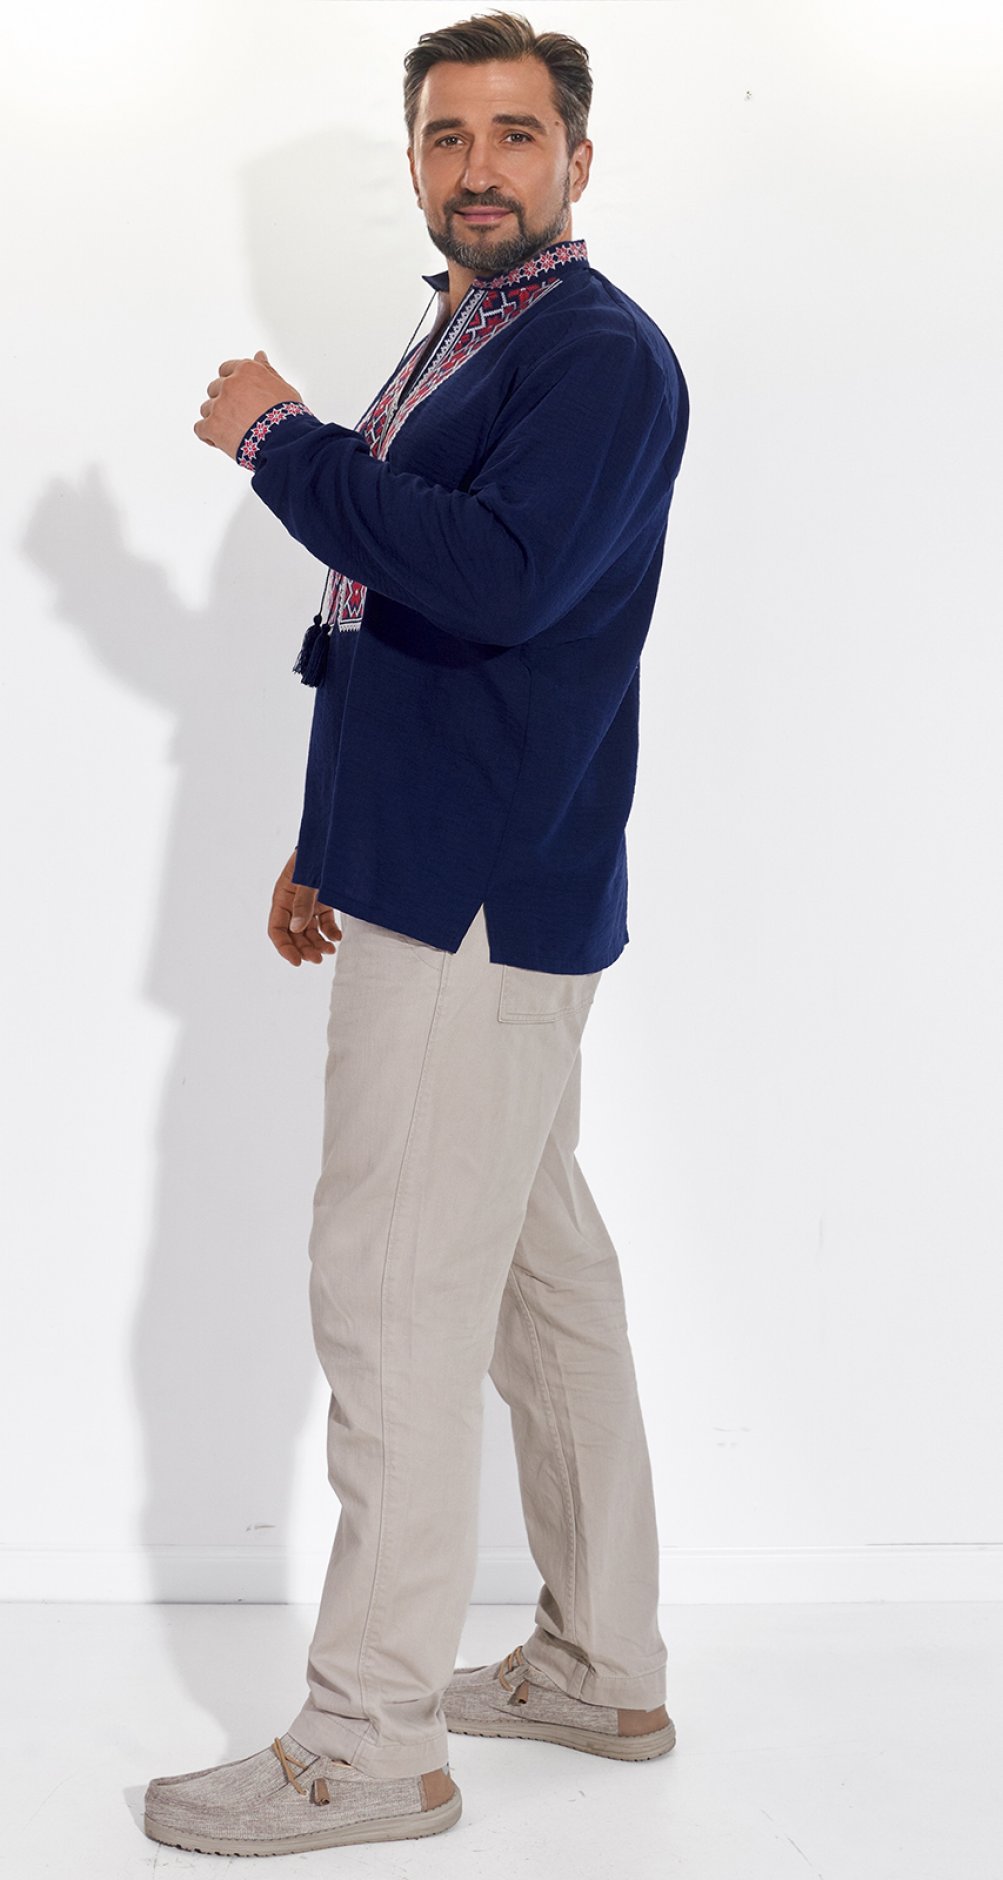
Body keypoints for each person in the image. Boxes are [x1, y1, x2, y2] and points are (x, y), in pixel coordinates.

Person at [145, 7, 689, 1859]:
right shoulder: (476, 329)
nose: (480, 167)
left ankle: (368, 1742)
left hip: (477, 906)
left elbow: (498, 581)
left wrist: (278, 440)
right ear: (415, 160)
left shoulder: (594, 353)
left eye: (516, 135)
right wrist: (330, 836)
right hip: (454, 876)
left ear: (578, 161)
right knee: (541, 1286)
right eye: (449, 135)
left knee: (392, 1301)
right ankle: (603, 1664)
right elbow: (389, 612)